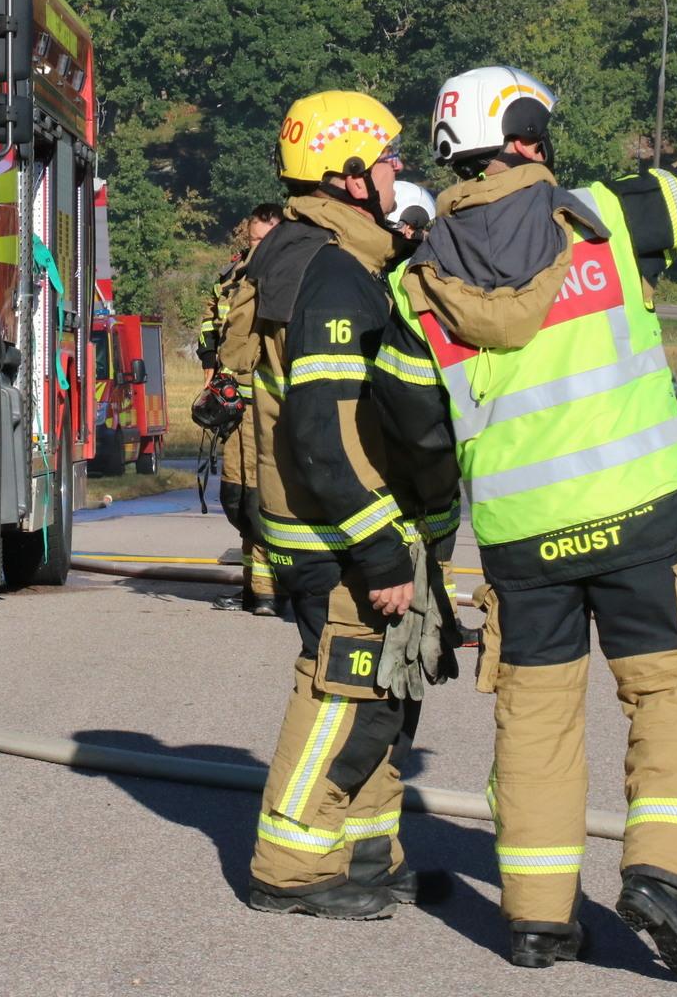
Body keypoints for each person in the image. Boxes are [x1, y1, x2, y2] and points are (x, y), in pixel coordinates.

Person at [390, 64, 677, 983]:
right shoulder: (607, 218)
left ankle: (539, 924)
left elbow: (417, 437)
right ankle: (663, 875)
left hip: (520, 542)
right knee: (669, 693)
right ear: (533, 139)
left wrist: (424, 543)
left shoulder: (413, 286)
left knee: (535, 723)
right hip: (641, 523)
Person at [244, 91, 438, 920]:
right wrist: (381, 552)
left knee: (382, 696)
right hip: (338, 536)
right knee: (346, 692)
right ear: (350, 175)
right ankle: (290, 869)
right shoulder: (330, 271)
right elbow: (323, 432)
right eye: (388, 158)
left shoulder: (323, 255)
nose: (400, 172)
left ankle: (364, 853)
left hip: (331, 529)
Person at [198, 204, 285, 615]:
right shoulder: (233, 277)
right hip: (236, 406)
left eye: (265, 240)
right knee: (237, 497)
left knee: (265, 499)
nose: (257, 247)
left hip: (273, 407)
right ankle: (254, 589)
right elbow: (211, 325)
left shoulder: (290, 277)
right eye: (253, 240)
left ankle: (271, 592)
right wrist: (209, 378)